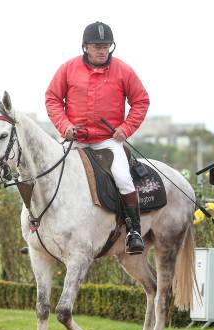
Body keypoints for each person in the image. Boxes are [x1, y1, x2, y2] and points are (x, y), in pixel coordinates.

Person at [46, 21, 149, 254]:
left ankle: (133, 231)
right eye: (97, 46)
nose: (102, 50)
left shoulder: (123, 70)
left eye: (106, 46)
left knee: (123, 178)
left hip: (108, 140)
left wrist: (126, 128)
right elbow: (52, 99)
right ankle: (42, 229)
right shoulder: (67, 69)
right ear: (85, 47)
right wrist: (65, 126)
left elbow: (141, 101)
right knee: (51, 173)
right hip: (75, 139)